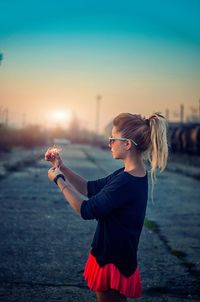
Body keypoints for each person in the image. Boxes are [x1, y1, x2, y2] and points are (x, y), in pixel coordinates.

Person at [45, 112, 168, 302]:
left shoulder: (127, 182)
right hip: (110, 255)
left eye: (113, 139)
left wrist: (59, 180)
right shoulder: (129, 173)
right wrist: (62, 167)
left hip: (113, 261)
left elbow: (85, 209)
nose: (109, 143)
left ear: (127, 144)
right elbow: (89, 188)